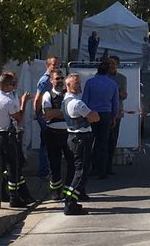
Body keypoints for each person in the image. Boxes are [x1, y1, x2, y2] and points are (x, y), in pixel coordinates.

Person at [0, 72, 33, 207]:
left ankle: (5, 193)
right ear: (6, 85)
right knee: (14, 167)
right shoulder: (7, 101)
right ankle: (14, 198)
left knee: (2, 167)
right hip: (5, 136)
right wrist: (23, 102)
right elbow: (18, 117)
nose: (14, 87)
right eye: (12, 84)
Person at [62, 74, 100, 215]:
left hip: (73, 137)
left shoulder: (66, 100)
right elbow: (95, 117)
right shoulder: (77, 103)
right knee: (82, 172)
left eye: (79, 83)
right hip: (81, 138)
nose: (79, 86)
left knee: (75, 170)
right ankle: (70, 201)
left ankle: (70, 200)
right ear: (68, 86)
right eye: (75, 84)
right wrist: (93, 114)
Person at [82, 60, 118, 179]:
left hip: (92, 114)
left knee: (89, 143)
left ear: (97, 70)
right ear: (107, 71)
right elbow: (115, 103)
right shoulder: (112, 84)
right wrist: (113, 117)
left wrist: (84, 116)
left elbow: (85, 101)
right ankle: (102, 170)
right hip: (106, 115)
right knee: (103, 143)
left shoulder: (90, 82)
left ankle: (91, 168)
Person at [42, 68, 75, 200]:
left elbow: (75, 112)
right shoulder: (47, 95)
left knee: (72, 162)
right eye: (57, 79)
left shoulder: (69, 94)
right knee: (54, 164)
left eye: (62, 78)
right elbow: (48, 114)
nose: (60, 81)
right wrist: (65, 111)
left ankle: (69, 191)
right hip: (53, 133)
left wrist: (58, 112)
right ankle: (56, 191)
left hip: (69, 133)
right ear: (51, 80)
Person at [34, 56, 60, 177]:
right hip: (46, 114)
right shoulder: (45, 80)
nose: (57, 66)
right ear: (47, 65)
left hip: (51, 114)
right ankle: (44, 171)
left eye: (58, 64)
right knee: (46, 143)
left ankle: (48, 169)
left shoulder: (55, 78)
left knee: (50, 142)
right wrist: (38, 113)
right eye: (54, 64)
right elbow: (38, 98)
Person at [107, 56, 127, 175]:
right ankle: (99, 166)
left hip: (116, 113)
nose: (111, 66)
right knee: (102, 140)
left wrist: (115, 91)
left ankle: (109, 166)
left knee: (112, 140)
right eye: (109, 63)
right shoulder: (102, 77)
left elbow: (124, 95)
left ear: (118, 65)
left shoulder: (122, 78)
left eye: (113, 64)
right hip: (103, 112)